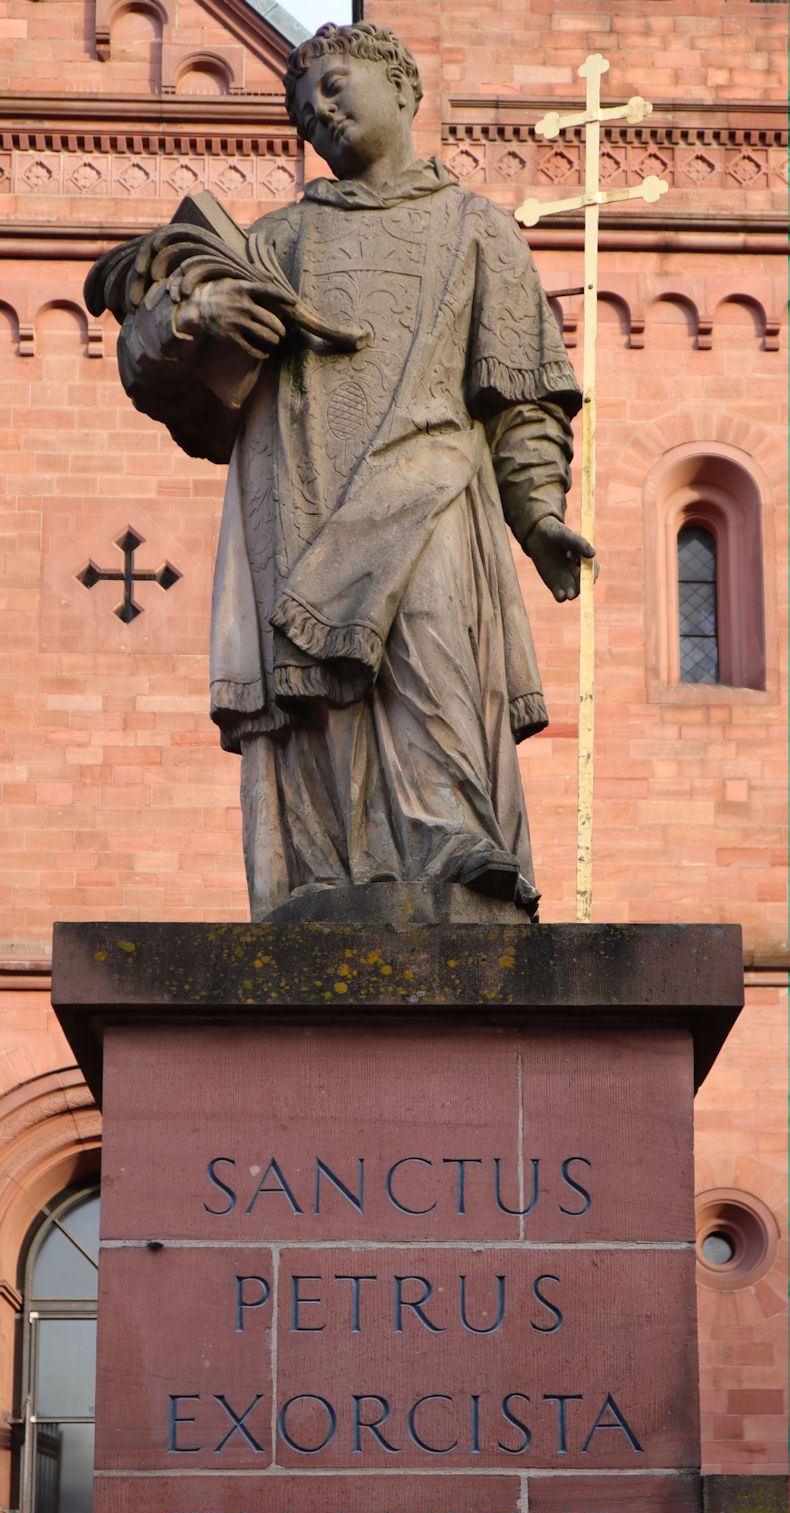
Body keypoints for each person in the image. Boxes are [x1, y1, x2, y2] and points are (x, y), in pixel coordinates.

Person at [116, 21, 593, 921]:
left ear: (405, 89)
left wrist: (538, 510)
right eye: (303, 109)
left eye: (336, 86)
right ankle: (327, 879)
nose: (320, 112)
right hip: (300, 504)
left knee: (437, 670)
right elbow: (154, 372)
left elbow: (522, 397)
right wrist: (194, 312)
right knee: (324, 705)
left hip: (433, 491)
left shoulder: (477, 230)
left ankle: (456, 850)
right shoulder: (280, 241)